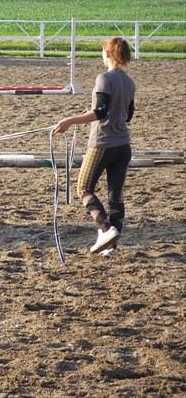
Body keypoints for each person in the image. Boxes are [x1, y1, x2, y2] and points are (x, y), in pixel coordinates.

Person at [53, 37, 136, 257]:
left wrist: (69, 121)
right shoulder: (129, 82)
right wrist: (88, 113)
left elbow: (100, 112)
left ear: (107, 54)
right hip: (123, 144)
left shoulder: (103, 78)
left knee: (83, 187)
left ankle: (105, 229)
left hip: (102, 143)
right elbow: (127, 116)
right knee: (115, 195)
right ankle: (111, 247)